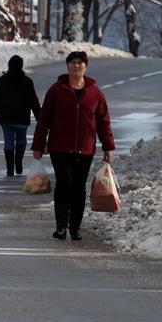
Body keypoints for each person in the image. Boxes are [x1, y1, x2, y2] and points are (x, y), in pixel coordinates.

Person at [31, 49, 115, 241]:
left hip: (85, 149)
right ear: (67, 66)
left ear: (86, 67)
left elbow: (104, 121)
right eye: (73, 63)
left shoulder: (95, 93)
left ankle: (75, 226)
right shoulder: (56, 91)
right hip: (59, 147)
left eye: (80, 63)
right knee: (64, 184)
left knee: (78, 188)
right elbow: (44, 121)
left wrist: (108, 146)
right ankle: (61, 226)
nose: (76, 66)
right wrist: (38, 146)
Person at [0, 54, 42, 176]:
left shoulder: (2, 80)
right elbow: (33, 100)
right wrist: (39, 117)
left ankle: (9, 167)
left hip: (5, 117)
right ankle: (18, 161)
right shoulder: (27, 82)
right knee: (21, 140)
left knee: (8, 142)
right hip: (22, 117)